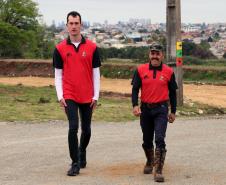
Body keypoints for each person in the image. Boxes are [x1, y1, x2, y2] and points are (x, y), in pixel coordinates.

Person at [53, 11, 101, 176]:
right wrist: (60, 96)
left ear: (81, 25)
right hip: (69, 94)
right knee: (73, 127)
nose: (73, 26)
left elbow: (96, 73)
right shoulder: (59, 49)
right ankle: (75, 163)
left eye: (76, 23)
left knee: (86, 130)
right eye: (71, 23)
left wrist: (96, 96)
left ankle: (82, 151)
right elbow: (58, 75)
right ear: (67, 25)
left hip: (87, 95)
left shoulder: (93, 47)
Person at [131, 42, 178, 182]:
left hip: (161, 109)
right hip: (145, 109)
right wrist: (134, 105)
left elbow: (173, 94)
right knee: (146, 140)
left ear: (162, 55)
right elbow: (135, 89)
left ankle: (158, 170)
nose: (155, 56)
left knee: (159, 138)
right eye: (153, 53)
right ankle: (150, 161)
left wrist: (173, 111)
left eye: (157, 54)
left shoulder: (169, 72)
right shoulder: (140, 70)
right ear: (149, 55)